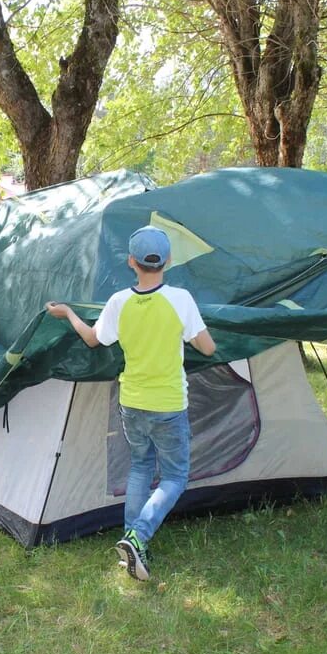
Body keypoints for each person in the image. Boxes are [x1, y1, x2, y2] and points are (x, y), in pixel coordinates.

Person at [46, 225, 216, 581]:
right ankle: (139, 535)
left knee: (140, 467)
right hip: (168, 404)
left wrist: (69, 314)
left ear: (131, 262)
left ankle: (130, 546)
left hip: (132, 402)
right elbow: (208, 348)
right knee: (174, 477)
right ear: (168, 260)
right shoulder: (181, 300)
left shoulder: (119, 302)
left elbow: (94, 340)